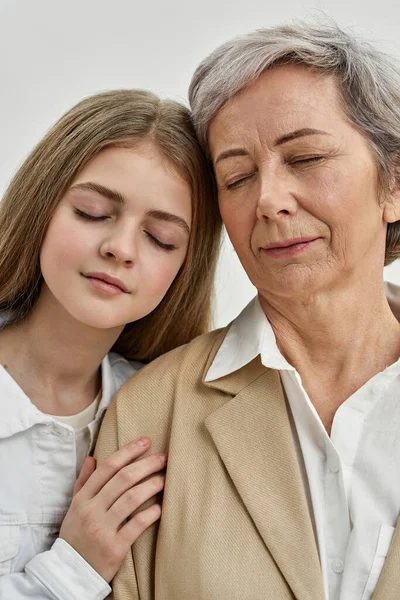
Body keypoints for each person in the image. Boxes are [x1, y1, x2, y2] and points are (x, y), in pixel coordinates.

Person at [96, 22, 400, 600]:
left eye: (306, 157)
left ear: (395, 184)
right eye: (236, 176)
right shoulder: (149, 418)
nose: (267, 201)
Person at [0, 89, 221, 600]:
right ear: (43, 206)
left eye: (161, 239)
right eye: (93, 211)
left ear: (185, 267)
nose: (119, 248)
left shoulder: (170, 416)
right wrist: (71, 572)